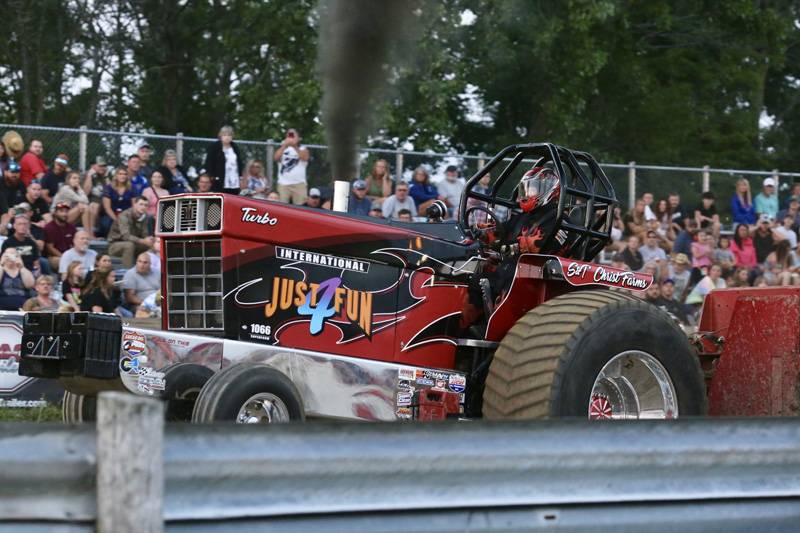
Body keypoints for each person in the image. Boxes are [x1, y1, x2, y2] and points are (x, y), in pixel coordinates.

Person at [108, 196, 153, 269]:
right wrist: (142, 241)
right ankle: (127, 272)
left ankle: (147, 270)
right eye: (141, 204)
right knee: (129, 245)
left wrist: (150, 240)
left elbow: (145, 234)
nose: (143, 207)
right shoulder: (124, 216)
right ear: (134, 205)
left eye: (145, 205)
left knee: (151, 245)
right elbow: (126, 236)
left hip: (134, 243)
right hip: (114, 245)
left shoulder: (145, 217)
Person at [205, 125, 245, 195]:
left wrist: (240, 177)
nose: (227, 137)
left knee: (234, 196)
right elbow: (209, 162)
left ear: (232, 136)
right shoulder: (215, 147)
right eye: (224, 135)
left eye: (229, 135)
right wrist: (211, 176)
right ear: (220, 136)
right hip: (220, 179)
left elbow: (239, 163)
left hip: (234, 178)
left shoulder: (235, 147)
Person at [273, 128, 309, 205]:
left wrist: (294, 146)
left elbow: (305, 157)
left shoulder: (303, 148)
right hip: (283, 184)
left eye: (293, 135)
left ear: (298, 138)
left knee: (301, 208)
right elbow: (276, 158)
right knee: (281, 206)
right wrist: (285, 146)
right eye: (289, 135)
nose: (291, 137)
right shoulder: (282, 148)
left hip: (299, 184)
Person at [101, 167, 134, 237]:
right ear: (116, 175)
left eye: (125, 174)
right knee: (106, 223)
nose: (123, 176)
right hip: (112, 214)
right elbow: (107, 208)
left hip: (126, 214)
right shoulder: (108, 188)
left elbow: (134, 206)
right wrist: (117, 220)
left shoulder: (131, 188)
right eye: (120, 174)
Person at [43, 203, 77, 270]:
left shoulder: (71, 227)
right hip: (54, 257)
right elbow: (50, 248)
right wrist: (64, 257)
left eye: (66, 211)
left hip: (70, 255)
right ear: (55, 213)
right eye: (61, 211)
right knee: (65, 262)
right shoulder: (49, 227)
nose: (64, 214)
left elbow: (75, 244)